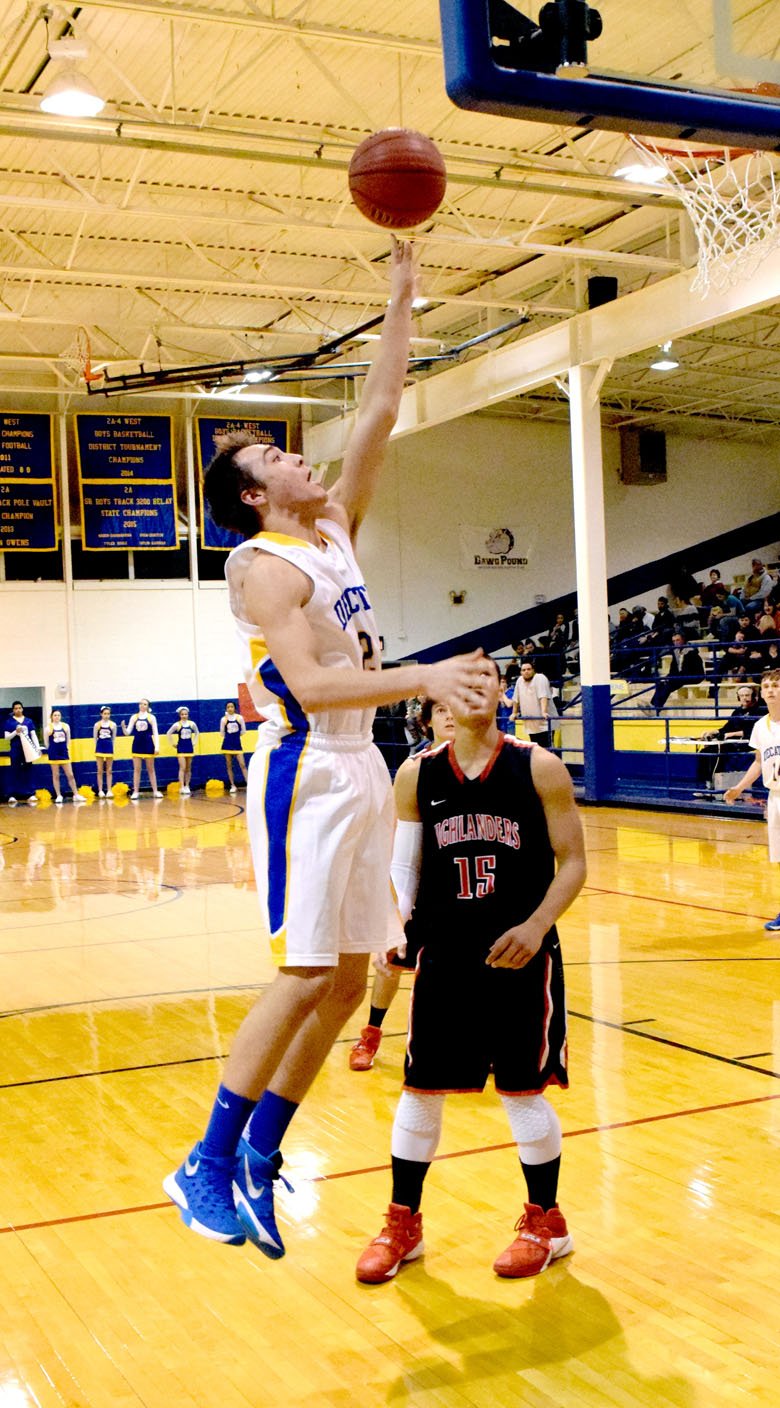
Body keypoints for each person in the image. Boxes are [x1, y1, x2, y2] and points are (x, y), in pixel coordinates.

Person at [163, 238, 486, 1257]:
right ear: (255, 497)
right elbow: (309, 686)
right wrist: (425, 677)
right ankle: (204, 1162)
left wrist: (401, 295)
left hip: (359, 762)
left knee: (352, 979)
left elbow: (382, 413)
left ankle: (261, 1152)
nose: (294, 454)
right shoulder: (261, 567)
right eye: (272, 458)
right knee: (303, 976)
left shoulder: (333, 529)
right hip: (304, 766)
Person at [355, 656, 586, 1284]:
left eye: (489, 679)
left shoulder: (538, 767)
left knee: (522, 1093)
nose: (477, 688)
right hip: (445, 955)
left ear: (502, 693)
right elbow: (405, 871)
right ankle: (404, 1222)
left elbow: (572, 864)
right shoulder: (417, 774)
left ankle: (546, 1221)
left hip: (521, 955)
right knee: (420, 1090)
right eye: (466, 680)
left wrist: (537, 925)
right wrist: (394, 924)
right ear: (442, 698)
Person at [349, 695, 456, 1072]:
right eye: (441, 711)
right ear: (427, 722)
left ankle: (475, 1039)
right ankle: (371, 1034)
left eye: (455, 708)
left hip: (466, 888)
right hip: (425, 882)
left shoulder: (493, 766)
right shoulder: (416, 771)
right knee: (390, 964)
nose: (450, 717)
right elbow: (404, 852)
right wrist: (397, 915)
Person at [724, 669, 780, 931]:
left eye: (776, 685)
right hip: (775, 796)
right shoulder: (761, 726)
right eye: (766, 686)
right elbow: (759, 763)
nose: (770, 690)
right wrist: (738, 788)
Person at [696, 685, 765, 788]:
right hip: (732, 742)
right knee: (705, 752)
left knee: (718, 752)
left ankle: (716, 784)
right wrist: (713, 732)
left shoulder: (760, 711)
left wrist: (730, 734)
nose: (744, 698)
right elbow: (727, 727)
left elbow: (754, 731)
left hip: (748, 742)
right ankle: (708, 783)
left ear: (753, 696)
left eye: (747, 695)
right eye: (741, 696)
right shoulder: (737, 712)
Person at [648, 632, 704, 712]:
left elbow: (688, 670)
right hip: (681, 675)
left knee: (669, 685)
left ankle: (657, 708)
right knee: (662, 682)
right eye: (673, 641)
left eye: (678, 640)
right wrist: (669, 676)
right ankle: (652, 705)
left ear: (683, 640)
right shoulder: (676, 651)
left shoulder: (691, 652)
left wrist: (673, 678)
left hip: (694, 675)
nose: (675, 643)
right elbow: (674, 667)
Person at [510, 661, 558, 746]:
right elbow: (515, 699)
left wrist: (544, 712)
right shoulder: (519, 681)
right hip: (531, 724)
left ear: (533, 670)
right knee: (536, 750)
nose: (526, 671)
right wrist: (514, 713)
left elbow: (543, 696)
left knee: (546, 749)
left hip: (545, 724)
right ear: (521, 672)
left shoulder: (540, 678)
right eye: (523, 670)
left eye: (529, 669)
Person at [121, 699, 162, 799]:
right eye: (141, 704)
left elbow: (155, 733)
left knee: (151, 769)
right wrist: (123, 728)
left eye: (145, 704)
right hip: (137, 744)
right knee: (137, 769)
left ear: (148, 706)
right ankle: (135, 792)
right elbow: (128, 732)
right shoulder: (134, 717)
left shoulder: (151, 717)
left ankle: (155, 791)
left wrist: (157, 746)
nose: (142, 705)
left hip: (148, 744)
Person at [43, 710, 85, 804]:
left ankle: (76, 794)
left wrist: (65, 748)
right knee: (56, 775)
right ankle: (58, 795)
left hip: (64, 753)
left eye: (58, 715)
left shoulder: (66, 726)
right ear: (51, 716)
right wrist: (51, 750)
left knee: (70, 775)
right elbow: (46, 743)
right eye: (55, 715)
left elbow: (68, 740)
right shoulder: (48, 728)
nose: (57, 717)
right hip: (53, 754)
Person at [3, 702, 40, 805]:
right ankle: (12, 795)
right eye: (16, 708)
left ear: (22, 709)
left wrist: (37, 748)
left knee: (29, 769)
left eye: (20, 708)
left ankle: (30, 793)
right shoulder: (9, 722)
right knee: (14, 771)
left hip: (27, 750)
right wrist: (16, 732)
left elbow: (33, 735)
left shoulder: (29, 721)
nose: (18, 710)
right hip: (15, 750)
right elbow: (6, 737)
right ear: (13, 710)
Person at [168, 707, 199, 795]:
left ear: (188, 715)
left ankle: (187, 786)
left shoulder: (192, 724)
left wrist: (194, 742)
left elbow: (197, 732)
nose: (184, 716)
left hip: (189, 747)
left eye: (185, 714)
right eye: (182, 714)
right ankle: (182, 786)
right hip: (181, 748)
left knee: (188, 767)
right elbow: (168, 733)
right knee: (182, 767)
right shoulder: (177, 725)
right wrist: (173, 743)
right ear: (180, 715)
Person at [220, 702, 248, 792]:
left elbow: (243, 731)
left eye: (232, 707)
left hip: (237, 744)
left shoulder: (239, 718)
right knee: (229, 765)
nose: (230, 708)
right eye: (228, 707)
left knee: (242, 764)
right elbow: (222, 733)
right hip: (227, 744)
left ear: (234, 708)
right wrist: (229, 737)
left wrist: (236, 736)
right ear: (226, 709)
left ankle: (248, 783)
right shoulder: (223, 719)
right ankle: (232, 785)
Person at [93, 706, 117, 797]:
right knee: (99, 769)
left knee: (109, 770)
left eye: (108, 714)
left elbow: (114, 738)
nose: (106, 715)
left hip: (109, 747)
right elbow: (95, 738)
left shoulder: (113, 725)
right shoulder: (97, 725)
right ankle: (100, 790)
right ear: (101, 714)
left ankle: (109, 790)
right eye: (105, 714)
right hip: (100, 747)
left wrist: (112, 748)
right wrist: (97, 748)